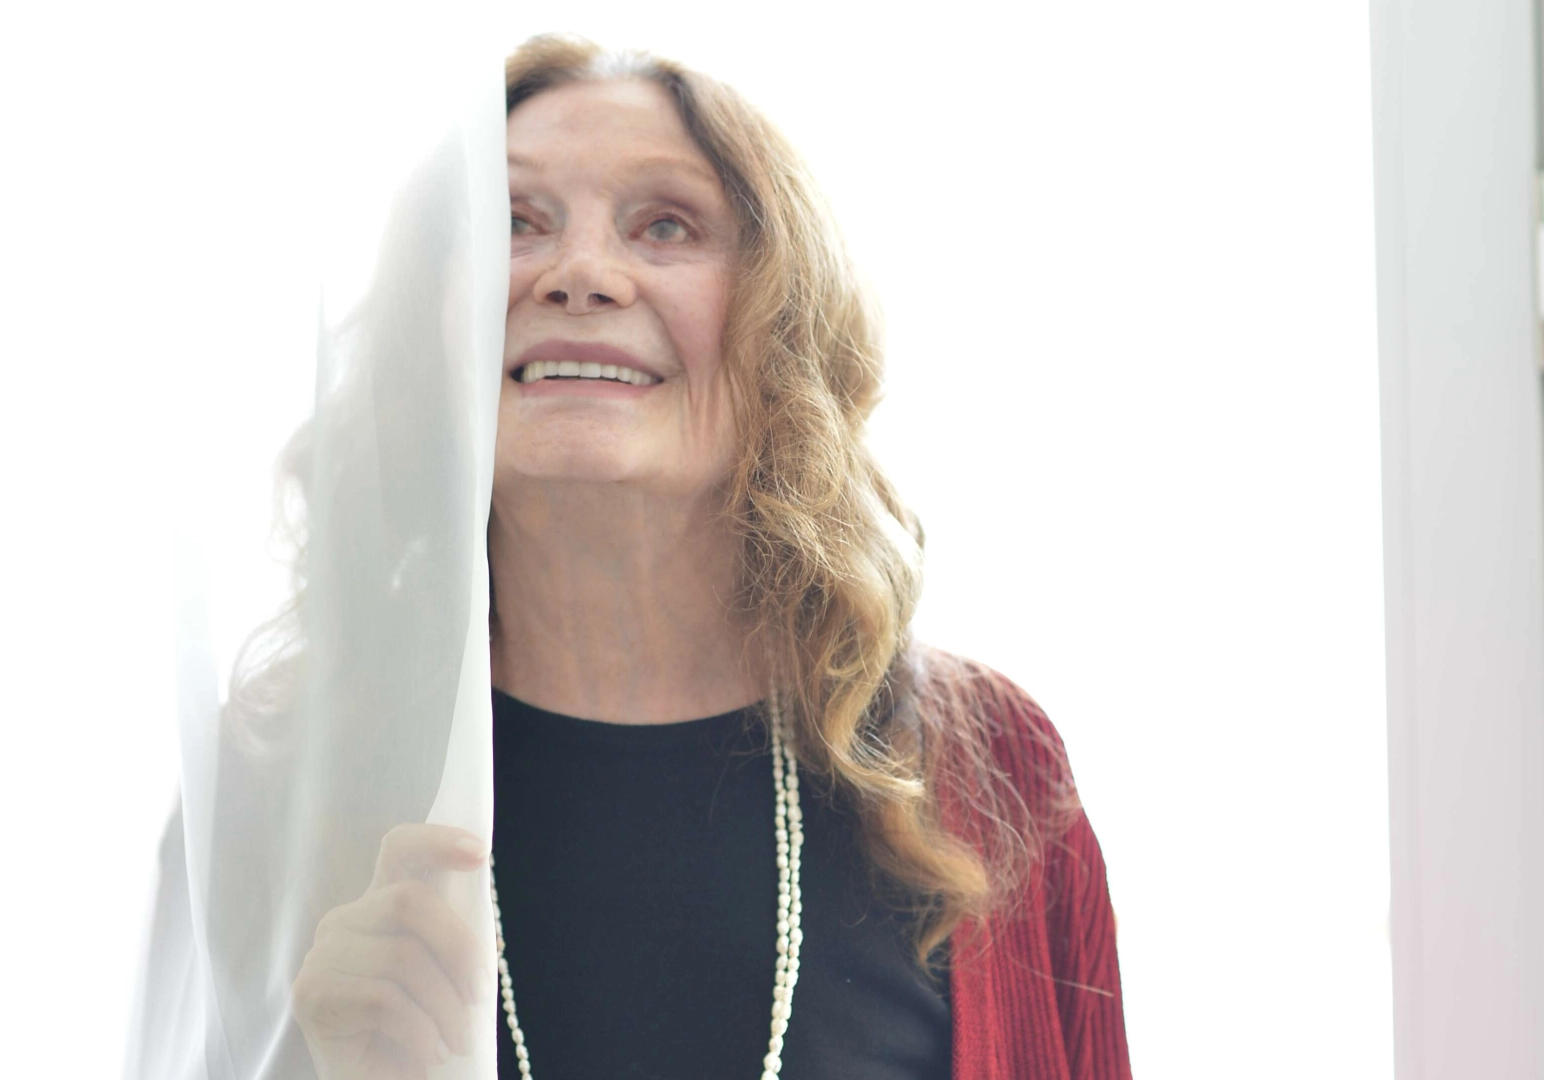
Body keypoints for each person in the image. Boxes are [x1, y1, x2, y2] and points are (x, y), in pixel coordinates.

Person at [276, 33, 1130, 1080]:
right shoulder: (286, 774)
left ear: (785, 328)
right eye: (512, 222)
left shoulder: (995, 769)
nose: (581, 274)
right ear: (428, 328)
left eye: (667, 225)